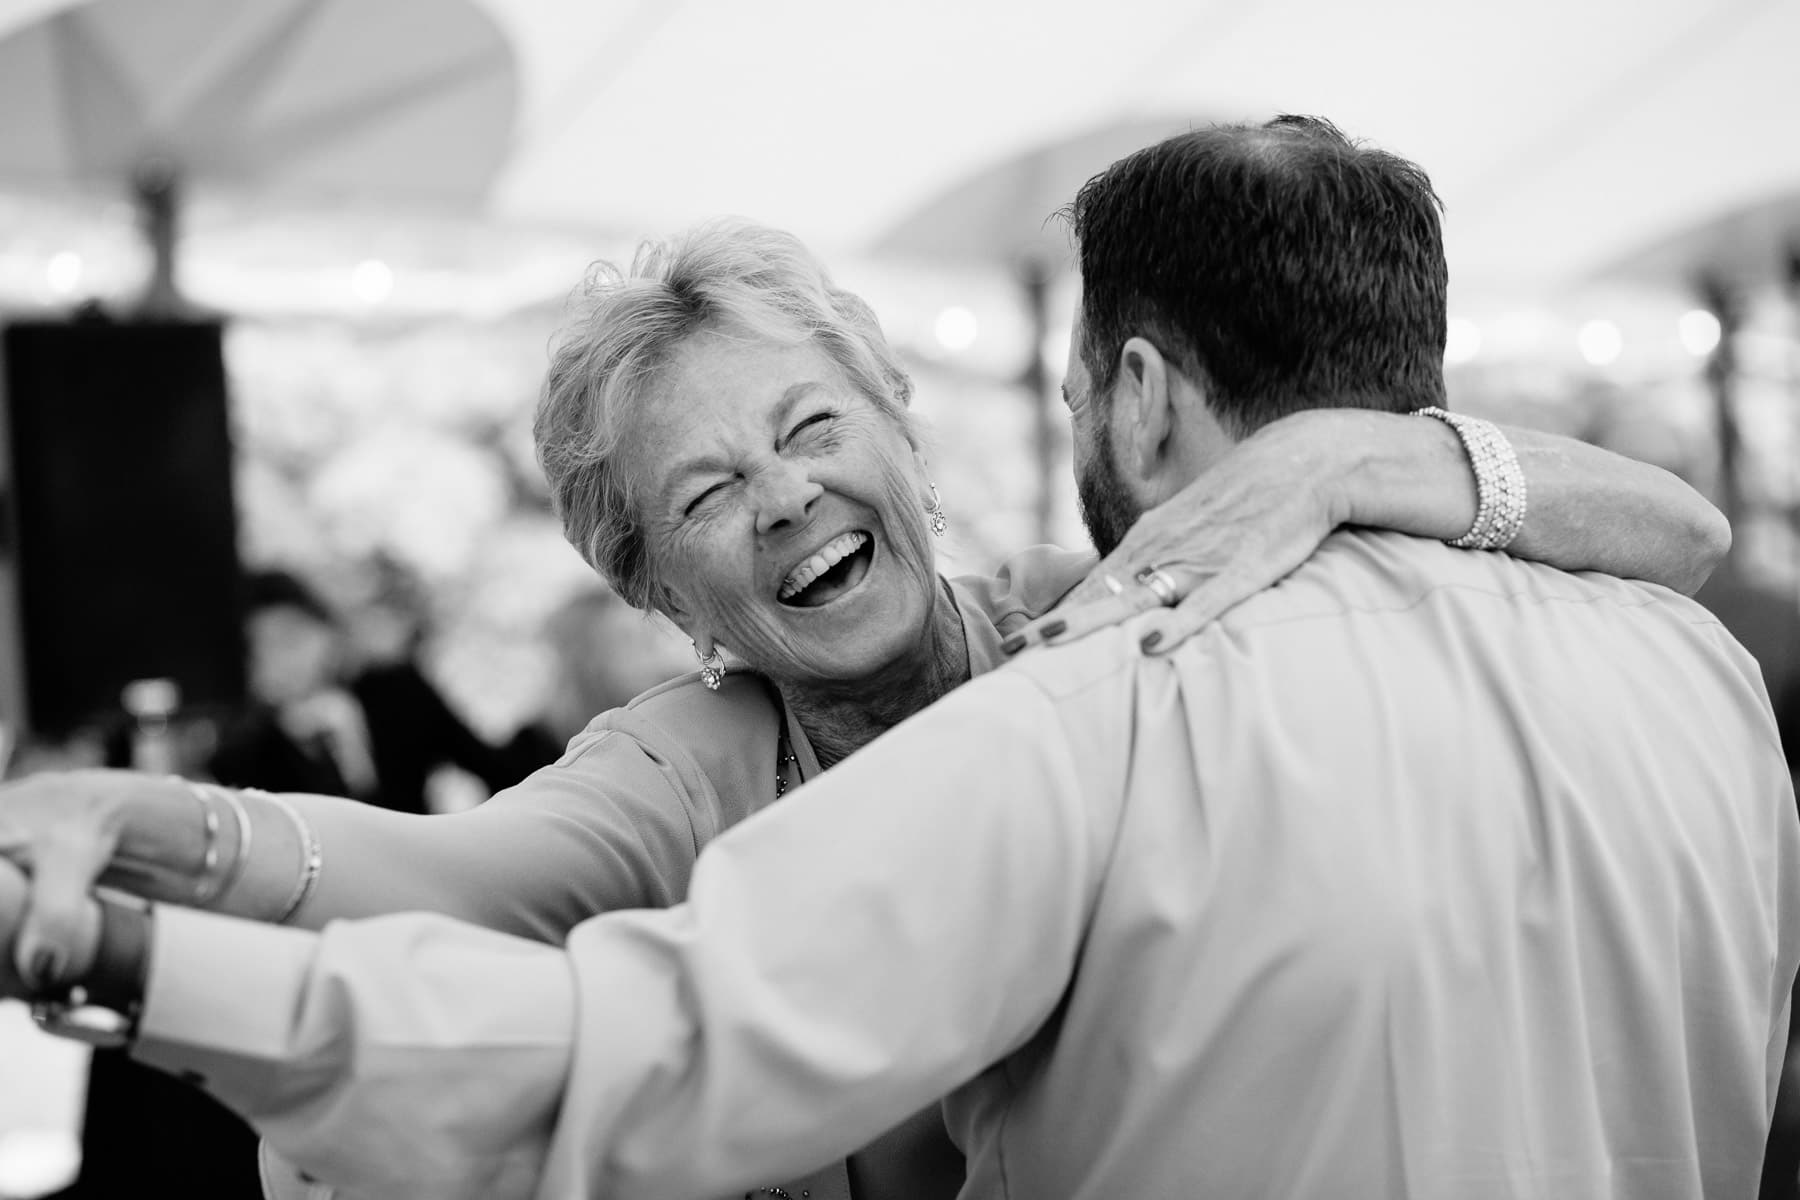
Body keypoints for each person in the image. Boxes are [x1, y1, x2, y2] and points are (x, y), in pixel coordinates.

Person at [0, 176, 1741, 1198]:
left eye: (811, 429)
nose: (783, 498)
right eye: (704, 495)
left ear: (900, 424)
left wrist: (1369, 455)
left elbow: (1679, 524)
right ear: (654, 587)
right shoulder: (692, 763)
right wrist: (159, 834)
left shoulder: (1113, 640)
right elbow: (446, 885)